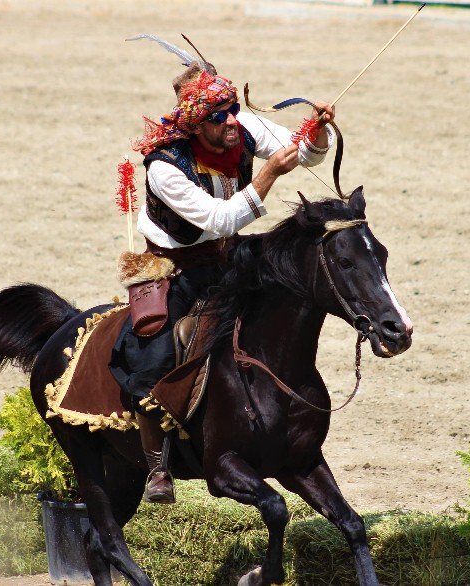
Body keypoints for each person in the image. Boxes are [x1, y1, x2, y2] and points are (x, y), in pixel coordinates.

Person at [113, 58, 335, 504]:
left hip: (230, 255)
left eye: (232, 108)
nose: (232, 120)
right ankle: (158, 465)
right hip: (177, 270)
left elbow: (306, 154)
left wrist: (318, 131)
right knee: (153, 354)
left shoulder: (240, 127)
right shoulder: (163, 167)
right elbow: (218, 219)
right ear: (196, 125)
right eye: (219, 116)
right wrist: (270, 174)